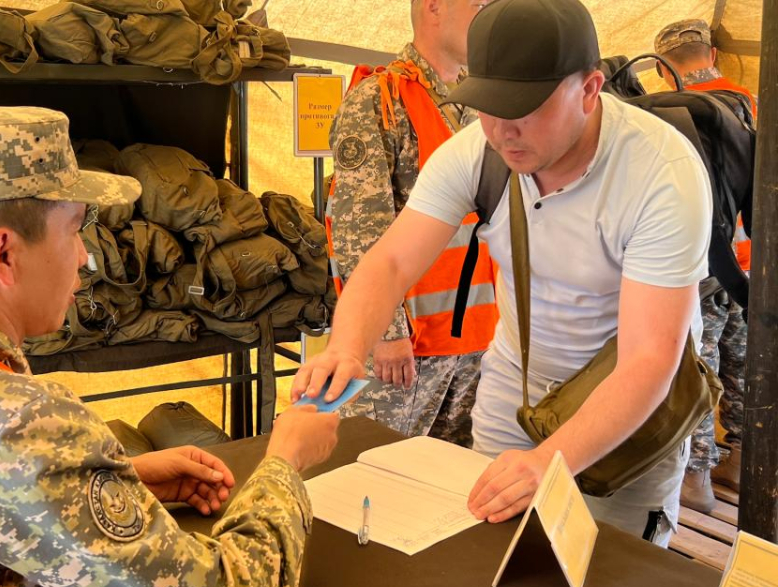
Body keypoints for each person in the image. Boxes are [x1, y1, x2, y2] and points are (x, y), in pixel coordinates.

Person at [0, 106, 340, 587]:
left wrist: (118, 478)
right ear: (4, 254)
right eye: (74, 230)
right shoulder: (14, 426)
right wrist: (286, 462)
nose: (86, 256)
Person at [294, 0, 712, 547]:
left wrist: (549, 460)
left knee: (606, 579)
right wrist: (348, 349)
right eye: (488, 106)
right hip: (515, 395)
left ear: (589, 90)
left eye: (524, 108)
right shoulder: (479, 152)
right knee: (491, 558)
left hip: (630, 418)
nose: (502, 131)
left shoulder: (661, 176)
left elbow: (650, 360)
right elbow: (391, 261)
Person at [326, 0, 497, 448]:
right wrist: (386, 333)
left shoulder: (481, 103)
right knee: (373, 472)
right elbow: (357, 226)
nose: (489, 14)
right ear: (434, 7)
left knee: (453, 488)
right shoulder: (379, 100)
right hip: (407, 352)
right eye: (479, 3)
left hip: (477, 341)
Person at [654, 19, 755, 511]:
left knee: (700, 363)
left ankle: (696, 480)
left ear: (663, 66)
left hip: (705, 266)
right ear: (712, 51)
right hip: (754, 264)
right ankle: (741, 458)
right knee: (747, 361)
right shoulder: (752, 101)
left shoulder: (670, 113)